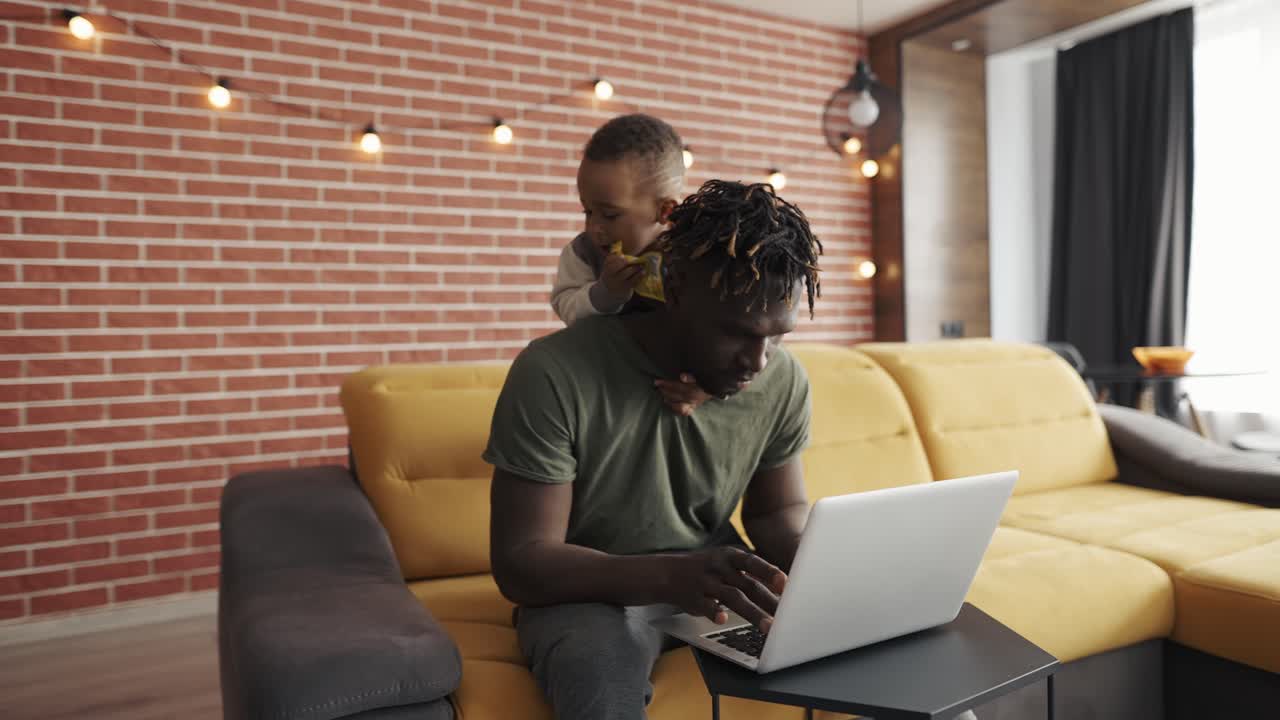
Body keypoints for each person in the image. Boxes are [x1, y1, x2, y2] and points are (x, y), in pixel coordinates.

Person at [486, 179, 822, 720]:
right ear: (675, 285)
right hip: (588, 592)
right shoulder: (554, 372)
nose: (758, 362)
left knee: (894, 660)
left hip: (718, 578)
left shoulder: (782, 380)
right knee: (599, 679)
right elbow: (521, 563)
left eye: (777, 336)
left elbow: (776, 513)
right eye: (737, 332)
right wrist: (670, 576)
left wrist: (834, 570)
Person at [550, 112, 709, 416]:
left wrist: (712, 387)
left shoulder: (695, 252)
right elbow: (566, 305)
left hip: (679, 388)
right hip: (609, 390)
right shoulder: (584, 252)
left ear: (665, 211)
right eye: (587, 212)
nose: (594, 227)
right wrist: (605, 293)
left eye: (609, 215)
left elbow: (731, 325)